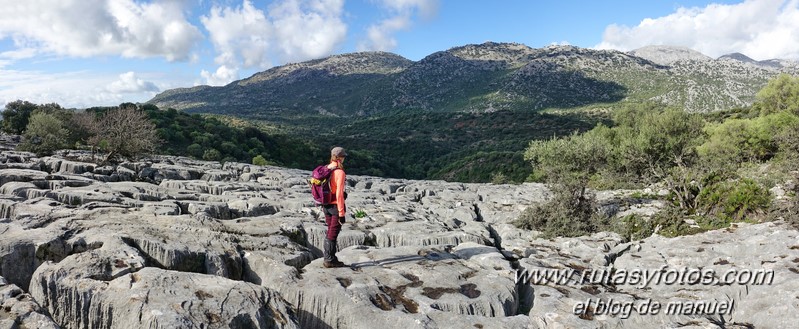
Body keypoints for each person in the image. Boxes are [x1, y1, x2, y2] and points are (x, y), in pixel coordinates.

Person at [322, 146, 348, 268]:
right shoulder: (340, 172)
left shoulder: (326, 169)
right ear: (340, 158)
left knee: (330, 231)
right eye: (343, 157)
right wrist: (341, 213)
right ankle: (329, 260)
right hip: (335, 207)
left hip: (325, 205)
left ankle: (330, 257)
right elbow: (339, 194)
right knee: (332, 234)